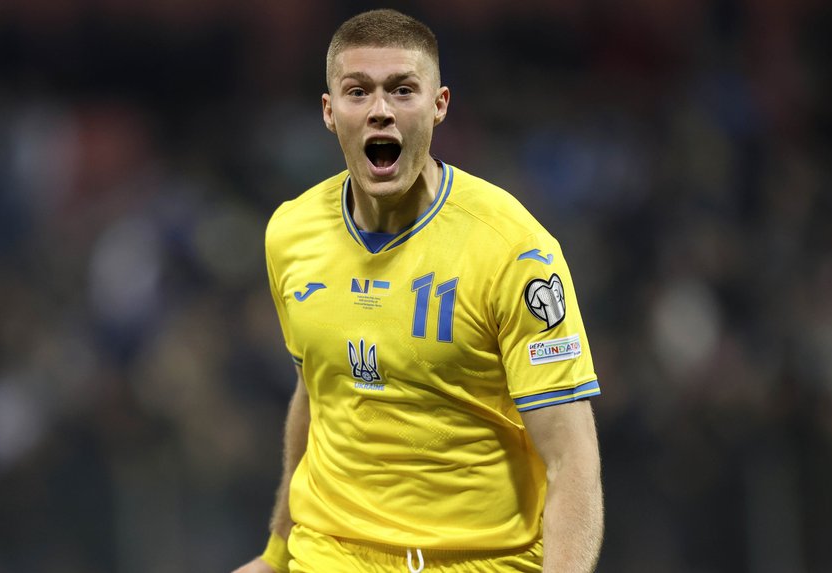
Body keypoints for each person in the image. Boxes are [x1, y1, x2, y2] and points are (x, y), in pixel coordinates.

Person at [235, 9, 603, 573]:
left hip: (481, 561)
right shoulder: (290, 232)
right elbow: (316, 393)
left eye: (402, 90)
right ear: (330, 112)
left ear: (439, 104)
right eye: (358, 91)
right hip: (327, 556)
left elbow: (571, 460)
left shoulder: (514, 250)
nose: (380, 109)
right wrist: (277, 554)